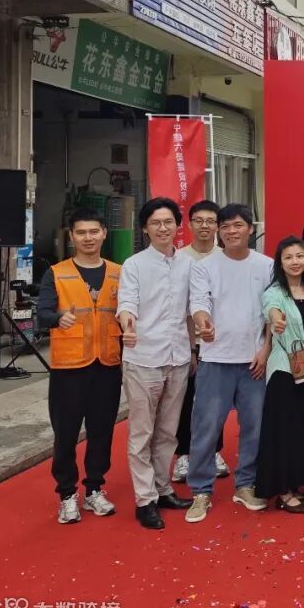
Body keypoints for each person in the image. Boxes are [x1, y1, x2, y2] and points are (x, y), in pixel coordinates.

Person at [185, 204, 274, 523]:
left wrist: (266, 349)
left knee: (255, 427)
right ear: (218, 231)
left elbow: (273, 309)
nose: (231, 231)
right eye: (225, 226)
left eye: (238, 225)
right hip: (215, 359)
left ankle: (246, 484)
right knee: (206, 427)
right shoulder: (205, 266)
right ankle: (201, 490)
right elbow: (198, 301)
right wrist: (203, 321)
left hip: (254, 362)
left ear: (251, 228)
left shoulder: (267, 265)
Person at [37, 208, 123, 525]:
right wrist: (58, 318)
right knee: (66, 434)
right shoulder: (56, 273)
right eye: (81, 232)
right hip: (69, 368)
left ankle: (95, 489)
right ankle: (67, 495)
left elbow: (129, 312)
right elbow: (42, 313)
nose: (88, 238)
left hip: (107, 366)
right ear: (72, 236)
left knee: (102, 432)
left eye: (94, 231)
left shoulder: (119, 272)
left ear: (104, 233)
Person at [116, 197, 194, 530]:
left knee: (168, 430)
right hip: (144, 357)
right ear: (145, 228)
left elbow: (193, 308)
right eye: (155, 223)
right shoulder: (134, 265)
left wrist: (194, 347)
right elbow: (126, 302)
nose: (163, 228)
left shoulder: (188, 264)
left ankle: (163, 489)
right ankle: (144, 499)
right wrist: (127, 323)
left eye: (168, 222)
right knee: (142, 432)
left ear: (177, 226)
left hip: (178, 357)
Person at [257, 237, 304, 513]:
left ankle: (298, 481)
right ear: (280, 262)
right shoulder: (274, 293)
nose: (295, 262)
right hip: (284, 372)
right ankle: (283, 491)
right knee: (284, 431)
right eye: (288, 257)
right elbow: (271, 310)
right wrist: (276, 320)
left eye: (299, 256)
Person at [174, 200, 228, 483]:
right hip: (186, 342)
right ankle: (183, 454)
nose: (205, 226)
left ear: (218, 226)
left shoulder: (226, 257)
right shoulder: (179, 259)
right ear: (190, 224)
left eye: (211, 221)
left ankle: (214, 451)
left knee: (215, 402)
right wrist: (191, 347)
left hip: (220, 344)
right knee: (185, 401)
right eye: (199, 220)